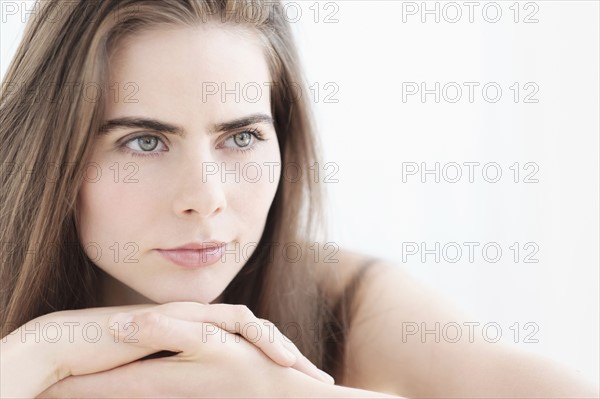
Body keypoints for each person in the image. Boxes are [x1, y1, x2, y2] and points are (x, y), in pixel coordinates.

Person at [0, 1, 597, 397]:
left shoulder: (338, 301)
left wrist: (290, 393)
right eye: (145, 141)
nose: (206, 198)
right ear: (50, 151)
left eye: (241, 136)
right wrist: (36, 353)